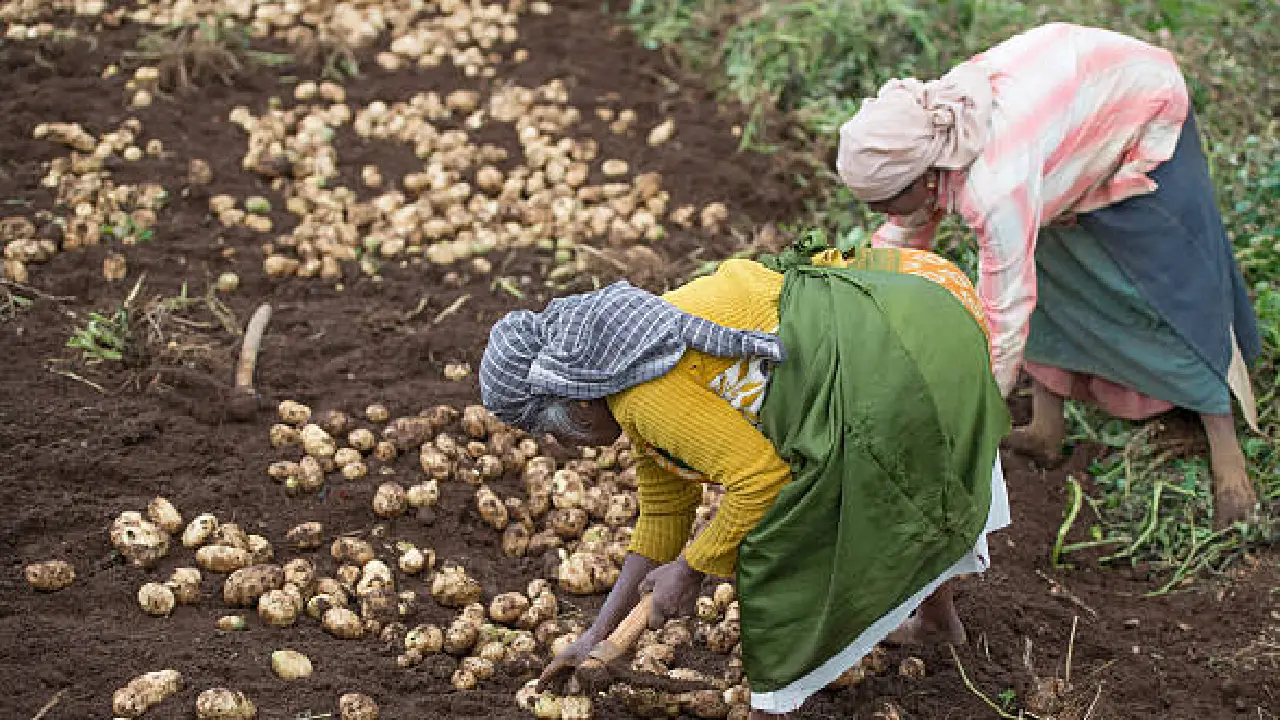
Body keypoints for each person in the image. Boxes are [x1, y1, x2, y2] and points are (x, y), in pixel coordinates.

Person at [479, 239, 1012, 718]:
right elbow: (664, 517)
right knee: (819, 497)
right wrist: (597, 634)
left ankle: (771, 707)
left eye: (553, 429)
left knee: (780, 543)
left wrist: (690, 572)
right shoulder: (630, 367)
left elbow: (762, 480)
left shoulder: (643, 397)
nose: (562, 443)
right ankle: (939, 624)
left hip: (893, 353)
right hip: (899, 313)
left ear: (573, 395)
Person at [835, 22, 1263, 528]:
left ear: (926, 176)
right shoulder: (929, 137)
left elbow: (1005, 312)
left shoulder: (995, 184)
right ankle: (1045, 429)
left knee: (1171, 286)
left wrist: (976, 415)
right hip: (1065, 118)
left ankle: (1228, 459)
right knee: (1054, 276)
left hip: (1137, 107)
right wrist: (847, 303)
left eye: (887, 201)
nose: (887, 212)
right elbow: (898, 242)